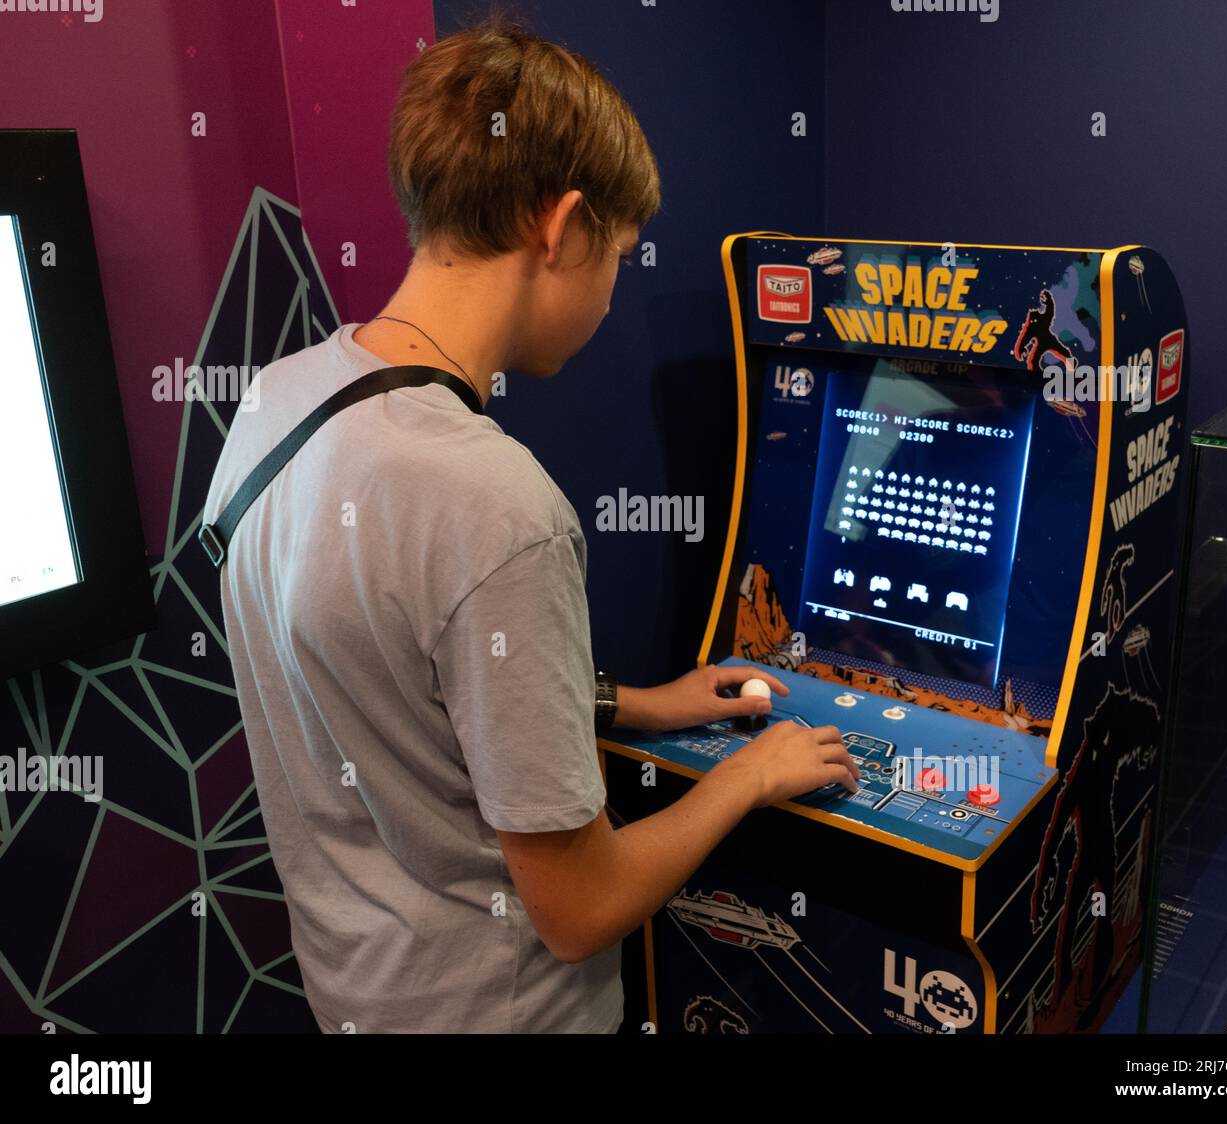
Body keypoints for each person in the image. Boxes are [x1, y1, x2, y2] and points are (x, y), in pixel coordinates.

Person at [203, 19, 857, 1034]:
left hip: (354, 994)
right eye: (620, 255)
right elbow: (579, 907)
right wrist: (749, 775)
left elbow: (395, 679)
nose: (608, 296)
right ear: (561, 227)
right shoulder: (495, 505)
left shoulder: (273, 403)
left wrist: (635, 704)